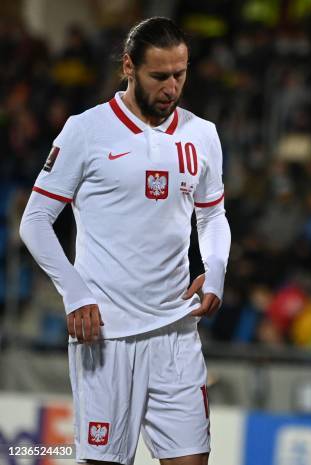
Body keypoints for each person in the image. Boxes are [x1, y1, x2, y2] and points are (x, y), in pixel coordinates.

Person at [19, 17, 230, 465]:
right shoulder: (86, 130)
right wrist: (75, 294)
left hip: (176, 330)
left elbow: (212, 214)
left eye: (180, 74)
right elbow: (35, 221)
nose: (172, 87)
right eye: (159, 76)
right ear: (129, 67)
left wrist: (215, 270)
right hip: (106, 335)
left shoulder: (202, 134)